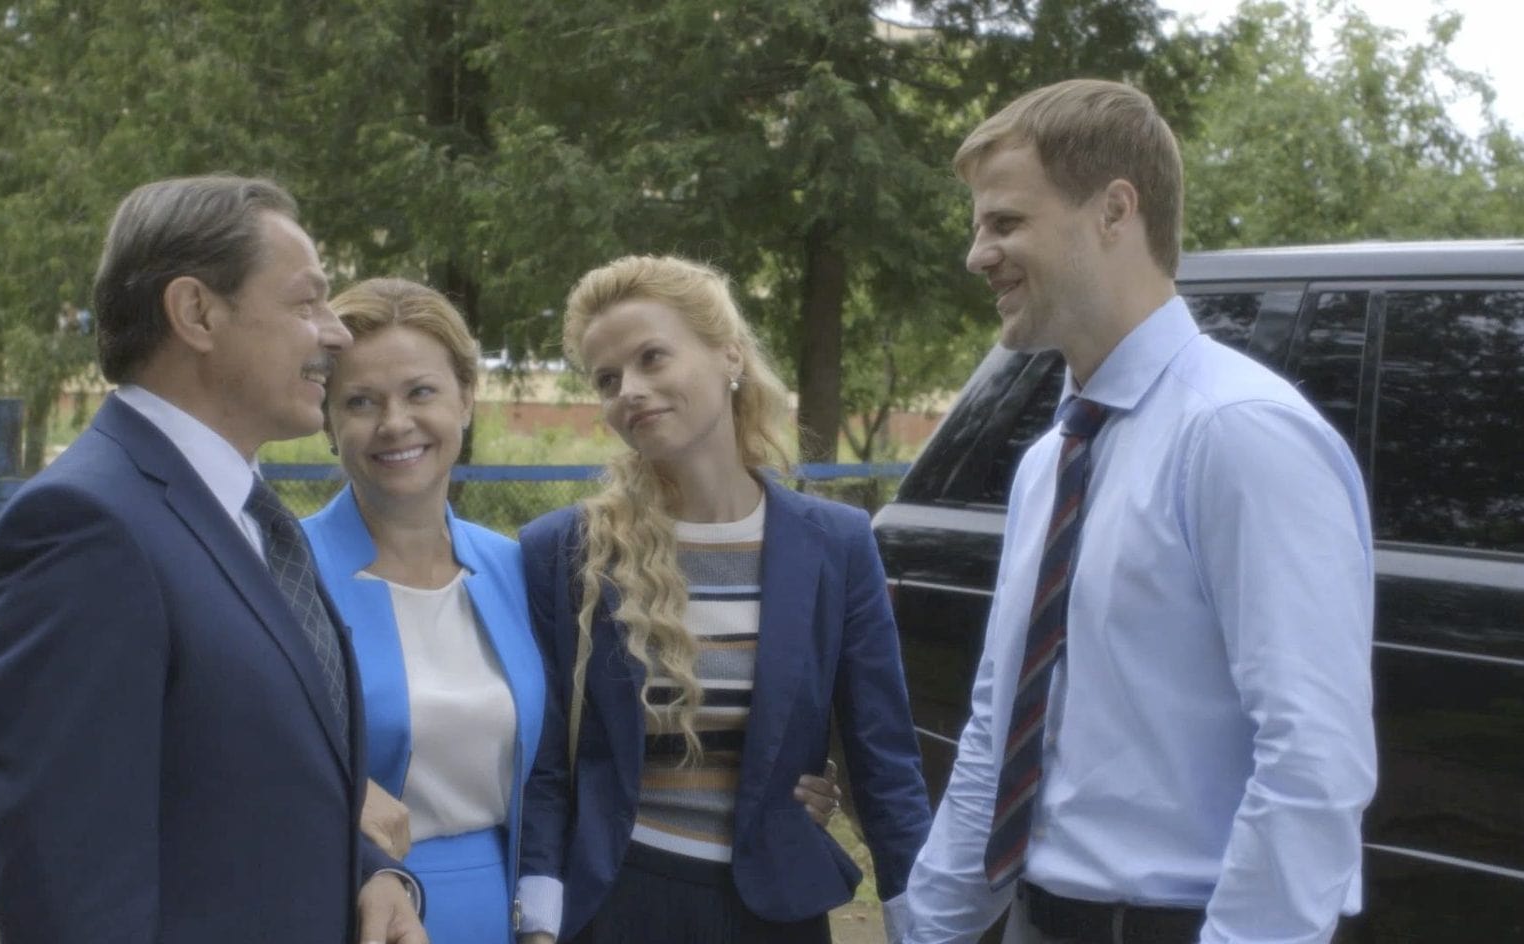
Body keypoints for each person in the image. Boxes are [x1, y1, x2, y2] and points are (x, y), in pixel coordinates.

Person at [902, 80, 1375, 943]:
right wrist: (930, 929)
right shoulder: (1050, 461)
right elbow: (998, 729)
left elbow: (1313, 760)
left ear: (1114, 211)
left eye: (1005, 222)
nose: (978, 255)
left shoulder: (1239, 435)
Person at [0, 175, 426, 944]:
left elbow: (245, 791)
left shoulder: (246, 513)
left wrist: (370, 876)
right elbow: (70, 889)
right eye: (306, 303)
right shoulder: (84, 529)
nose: (336, 335)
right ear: (196, 313)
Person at [515, 255, 932, 944]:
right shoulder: (563, 550)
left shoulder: (836, 544)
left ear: (729, 355)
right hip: (617, 905)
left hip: (774, 912)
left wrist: (921, 921)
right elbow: (545, 767)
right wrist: (537, 920)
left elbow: (884, 762)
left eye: (653, 358)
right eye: (608, 379)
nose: (631, 391)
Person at [300, 277, 546, 943]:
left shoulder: (517, 568)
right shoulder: (283, 573)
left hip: (509, 913)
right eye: (360, 401)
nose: (394, 423)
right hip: (353, 912)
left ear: (466, 398)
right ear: (327, 423)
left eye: (420, 392)